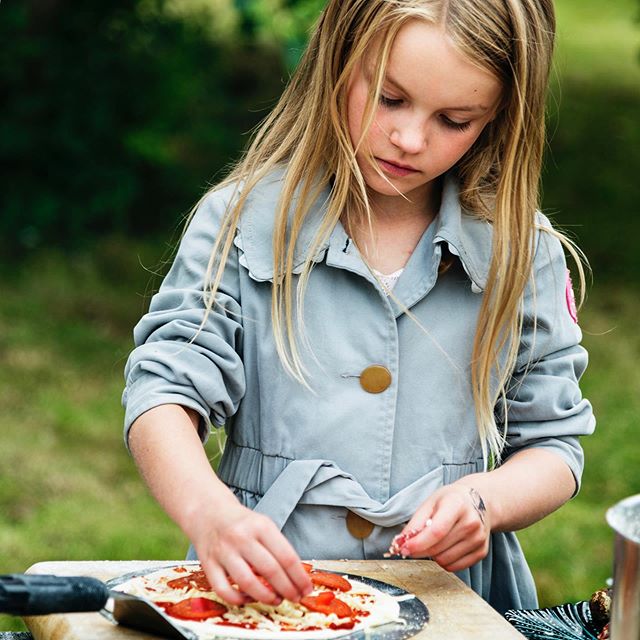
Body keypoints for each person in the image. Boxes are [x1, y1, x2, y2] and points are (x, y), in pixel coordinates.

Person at [122, 0, 595, 614]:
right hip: (266, 601)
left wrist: (484, 502)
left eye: (455, 119)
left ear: (500, 117)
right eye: (390, 99)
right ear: (339, 60)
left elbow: (555, 447)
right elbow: (163, 392)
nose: (409, 138)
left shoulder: (520, 251)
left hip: (453, 605)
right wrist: (209, 513)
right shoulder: (241, 220)